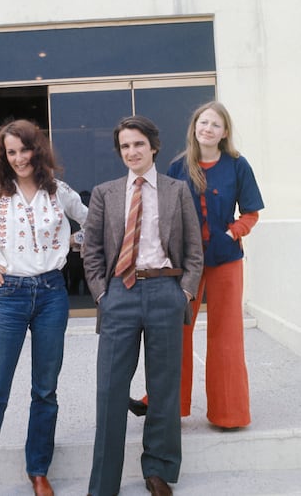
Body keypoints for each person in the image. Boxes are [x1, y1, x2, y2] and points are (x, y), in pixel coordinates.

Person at [0, 119, 88, 496]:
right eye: (10, 152)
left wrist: (69, 243)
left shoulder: (60, 192)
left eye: (24, 149)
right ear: (4, 156)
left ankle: (38, 471)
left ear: (37, 149)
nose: (18, 158)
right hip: (8, 297)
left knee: (45, 390)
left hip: (51, 295)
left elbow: (93, 224)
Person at [83, 115, 203, 496]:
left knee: (165, 387)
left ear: (153, 146)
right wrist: (103, 293)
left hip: (165, 291)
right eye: (124, 146)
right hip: (120, 293)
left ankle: (158, 470)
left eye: (138, 144)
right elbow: (92, 251)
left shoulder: (177, 190)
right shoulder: (105, 192)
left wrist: (183, 292)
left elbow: (194, 251)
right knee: (111, 390)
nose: (131, 152)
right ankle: (104, 483)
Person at [129, 101, 264, 430]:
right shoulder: (177, 166)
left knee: (226, 335)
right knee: (176, 331)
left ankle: (229, 414)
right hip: (184, 263)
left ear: (224, 132)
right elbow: (162, 213)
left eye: (216, 125)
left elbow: (251, 212)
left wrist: (234, 233)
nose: (208, 128)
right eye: (203, 122)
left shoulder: (238, 165)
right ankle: (166, 404)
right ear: (194, 127)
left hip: (226, 261)